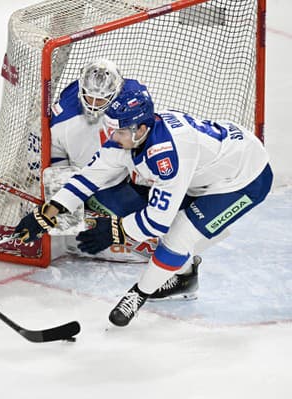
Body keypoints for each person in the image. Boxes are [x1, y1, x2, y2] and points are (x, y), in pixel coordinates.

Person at [15, 80, 272, 327]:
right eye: (111, 128)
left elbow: (156, 222)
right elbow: (87, 179)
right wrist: (45, 214)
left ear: (141, 129)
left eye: (120, 131)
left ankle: (138, 295)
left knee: (177, 237)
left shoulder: (167, 155)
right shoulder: (127, 137)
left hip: (242, 180)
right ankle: (184, 276)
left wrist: (115, 231)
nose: (113, 136)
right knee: (162, 218)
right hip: (205, 171)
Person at [49, 60, 201, 300]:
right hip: (96, 182)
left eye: (102, 100)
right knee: (155, 235)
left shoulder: (130, 97)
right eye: (90, 98)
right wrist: (64, 206)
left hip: (123, 172)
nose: (94, 105)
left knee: (171, 212)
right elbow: (57, 165)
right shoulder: (63, 119)